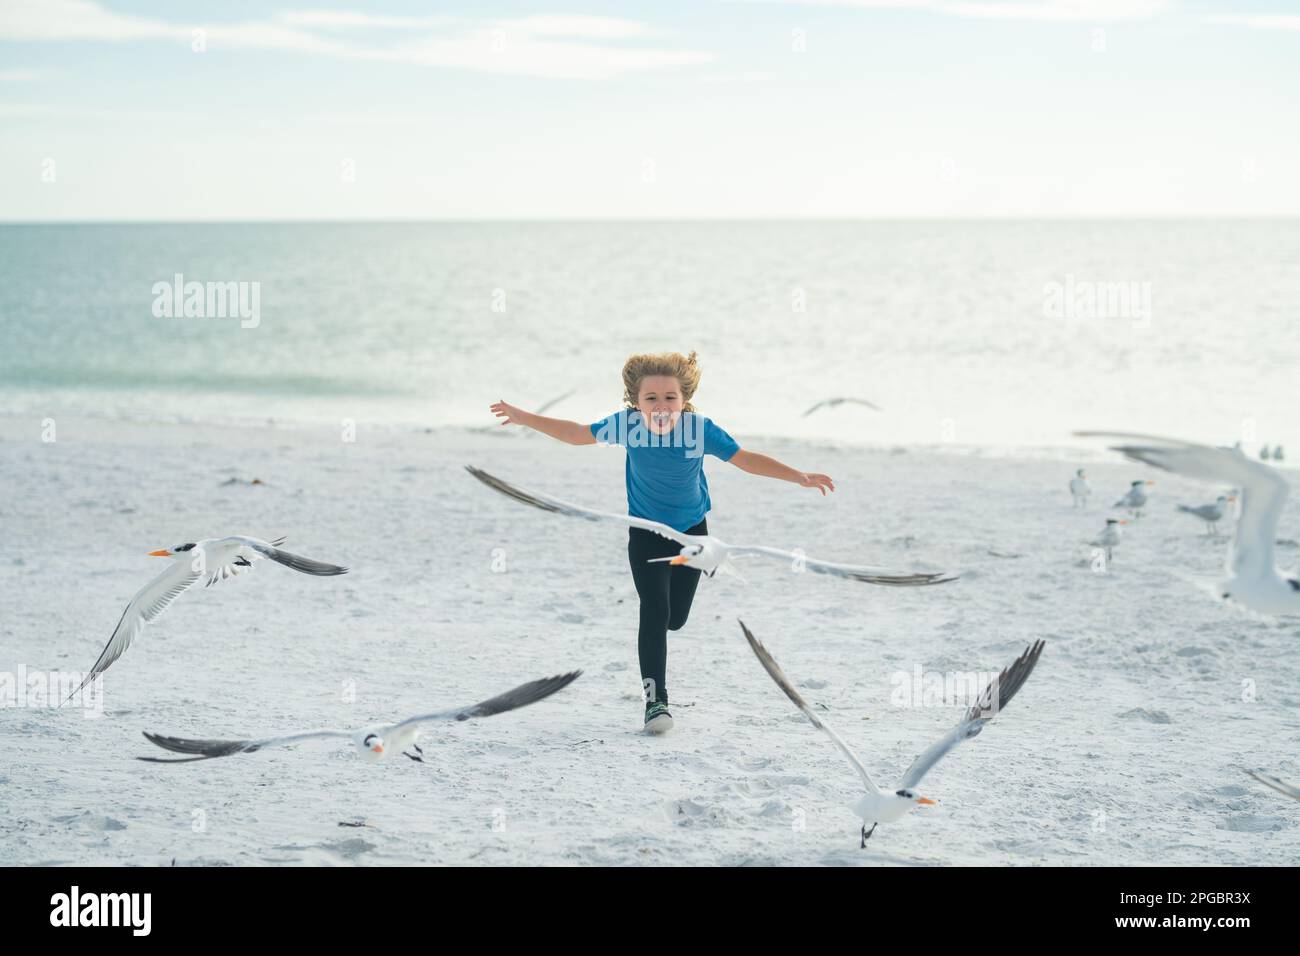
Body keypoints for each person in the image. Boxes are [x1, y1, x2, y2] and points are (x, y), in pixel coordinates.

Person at [490, 350, 835, 733]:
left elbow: (744, 459)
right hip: (646, 536)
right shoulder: (627, 426)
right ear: (635, 403)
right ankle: (656, 703)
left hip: (692, 534)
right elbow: (577, 434)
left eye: (669, 397)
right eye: (650, 398)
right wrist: (524, 417)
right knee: (653, 612)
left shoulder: (699, 429)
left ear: (684, 399)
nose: (661, 406)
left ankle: (663, 643)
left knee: (675, 619)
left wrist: (799, 476)